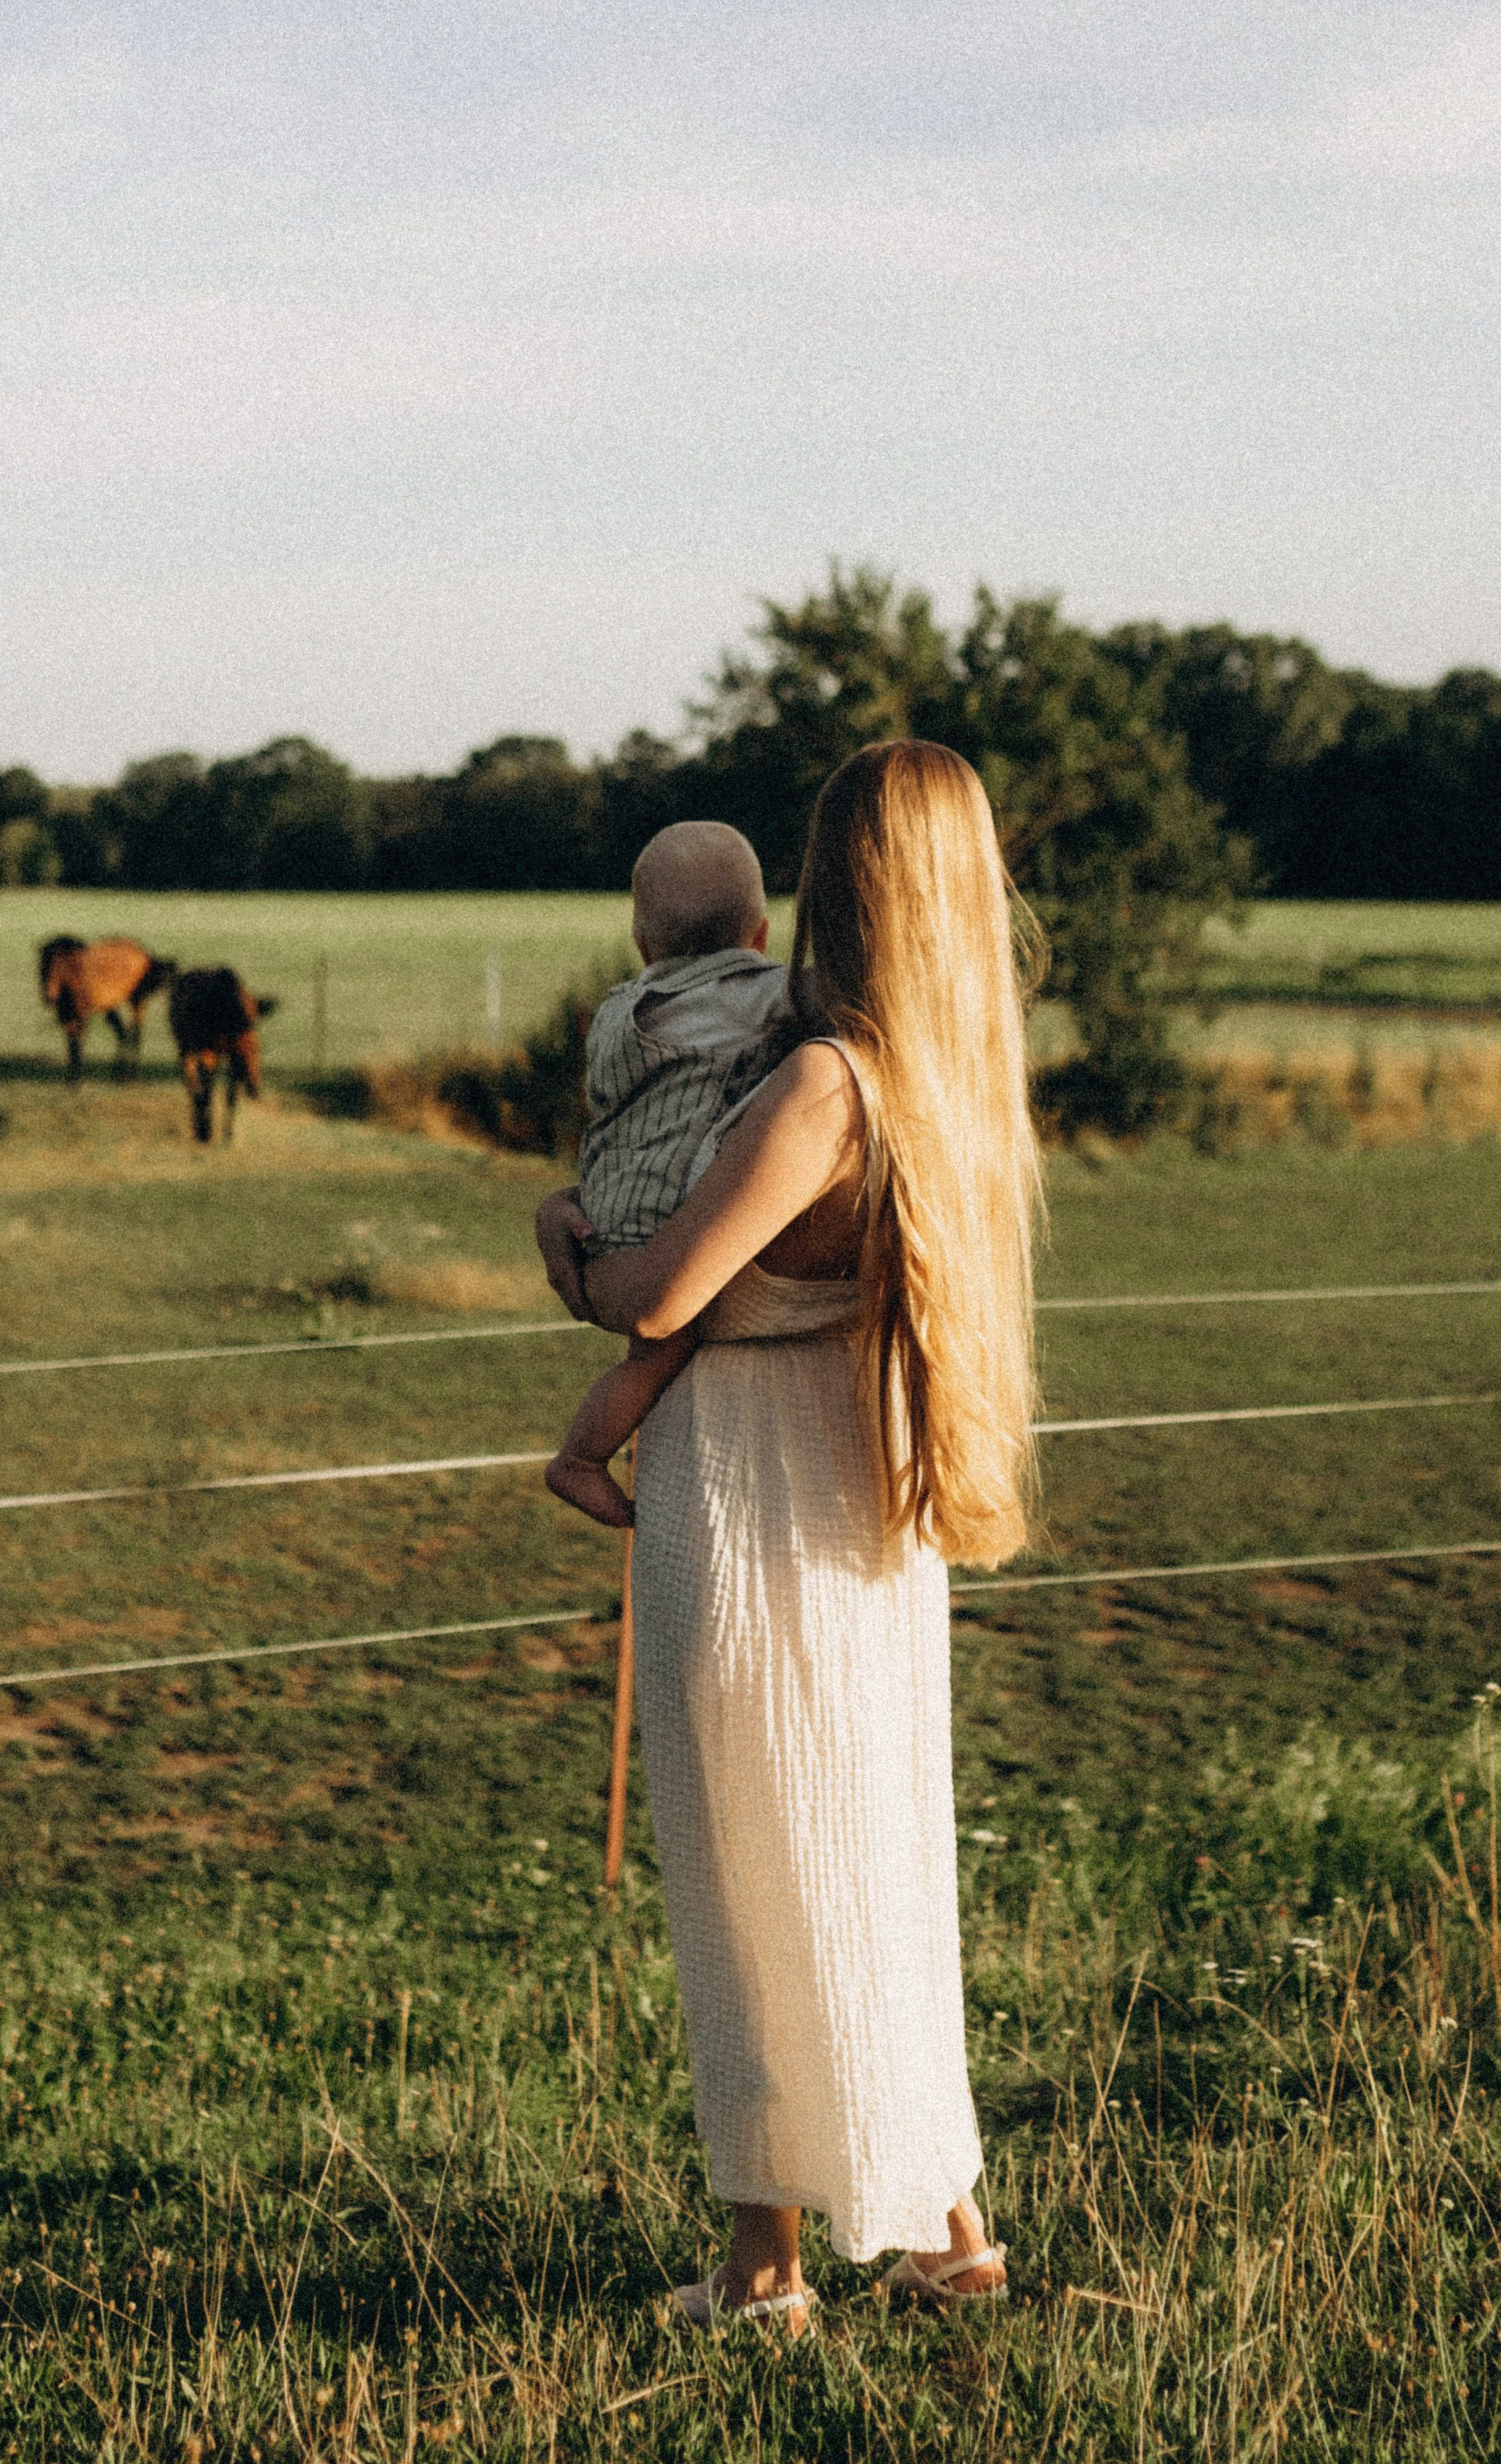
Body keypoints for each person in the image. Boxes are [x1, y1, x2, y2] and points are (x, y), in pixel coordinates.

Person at [535, 740, 1043, 2332]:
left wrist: (569, 1246)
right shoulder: (943, 1073)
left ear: (835, 882)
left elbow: (661, 1287)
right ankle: (944, 2237)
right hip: (856, 1482)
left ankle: (763, 2271)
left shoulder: (819, 1082)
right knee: (860, 1849)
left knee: (753, 1864)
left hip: (750, 1482)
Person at [545, 820, 798, 1530]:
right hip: (672, 1207)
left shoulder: (615, 1012)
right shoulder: (764, 995)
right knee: (662, 1348)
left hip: (605, 1203)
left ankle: (586, 1454)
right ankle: (580, 1457)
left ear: (642, 944)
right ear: (760, 936)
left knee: (644, 1351)